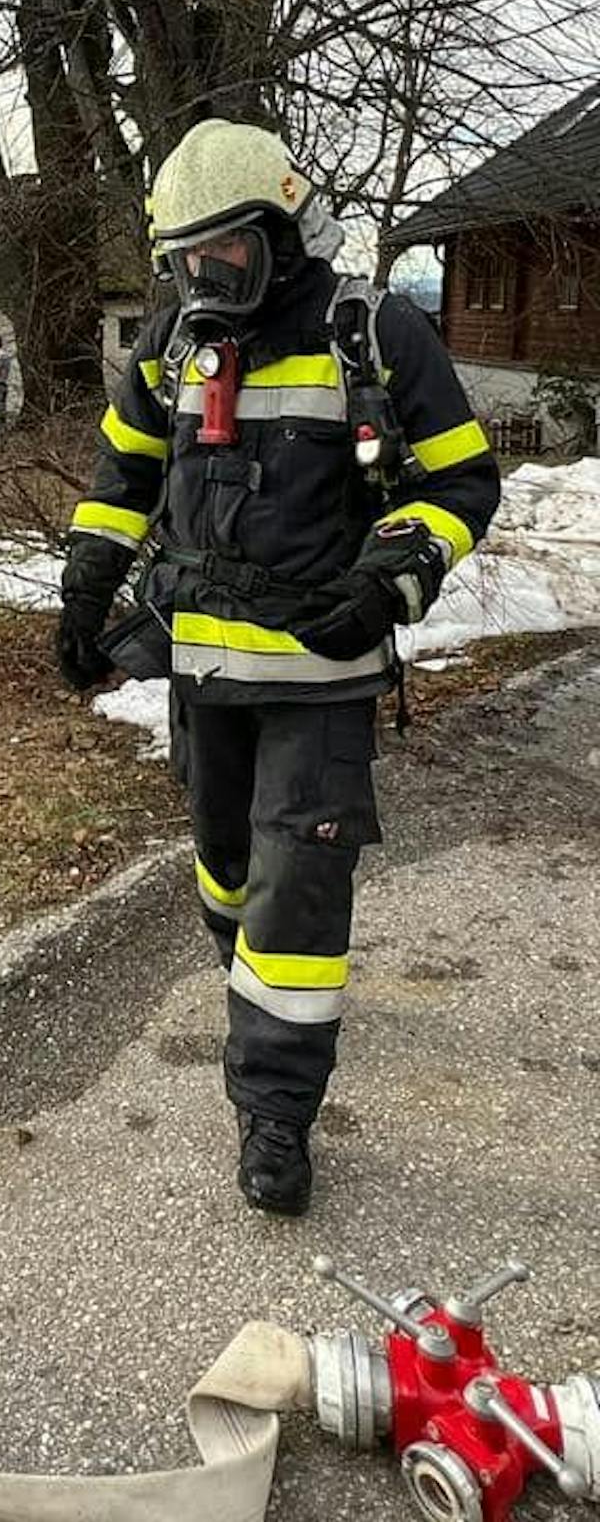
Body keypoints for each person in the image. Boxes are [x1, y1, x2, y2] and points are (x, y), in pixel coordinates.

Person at [54, 120, 499, 1216]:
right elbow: (125, 471)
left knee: (295, 902)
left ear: (285, 232)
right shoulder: (171, 342)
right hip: (204, 682)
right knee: (223, 876)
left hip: (321, 677)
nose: (208, 280)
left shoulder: (373, 332)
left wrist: (390, 575)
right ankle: (246, 993)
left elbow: (458, 484)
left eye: (229, 256)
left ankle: (273, 1118)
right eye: (187, 260)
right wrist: (84, 583)